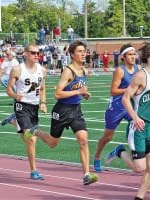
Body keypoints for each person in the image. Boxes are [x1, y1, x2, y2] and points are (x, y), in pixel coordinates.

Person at [25, 41, 98, 185]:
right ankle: (36, 131)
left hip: (76, 110)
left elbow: (78, 88)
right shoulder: (68, 71)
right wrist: (78, 91)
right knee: (53, 143)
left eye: (84, 51)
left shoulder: (83, 70)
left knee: (83, 140)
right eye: (80, 51)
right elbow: (57, 94)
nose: (83, 54)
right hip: (62, 111)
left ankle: (86, 174)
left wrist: (83, 94)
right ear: (72, 54)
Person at [93, 44, 140, 172]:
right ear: (123, 57)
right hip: (117, 107)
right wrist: (130, 89)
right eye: (130, 54)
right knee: (108, 137)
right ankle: (97, 157)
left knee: (139, 127)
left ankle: (135, 156)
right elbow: (113, 91)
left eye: (134, 54)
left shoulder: (137, 69)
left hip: (130, 106)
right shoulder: (120, 70)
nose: (133, 57)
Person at [6, 43, 47, 180]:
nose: (37, 55)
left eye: (38, 53)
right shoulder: (17, 69)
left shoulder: (42, 70)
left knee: (27, 137)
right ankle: (33, 170)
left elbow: (42, 88)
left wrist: (43, 103)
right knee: (32, 139)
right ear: (26, 54)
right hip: (21, 106)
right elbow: (9, 89)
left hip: (34, 108)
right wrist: (15, 96)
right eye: (34, 53)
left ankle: (14, 122)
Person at [121, 42, 150, 200]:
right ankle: (120, 151)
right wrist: (135, 117)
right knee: (140, 168)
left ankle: (139, 197)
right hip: (139, 127)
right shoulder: (141, 76)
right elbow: (125, 98)